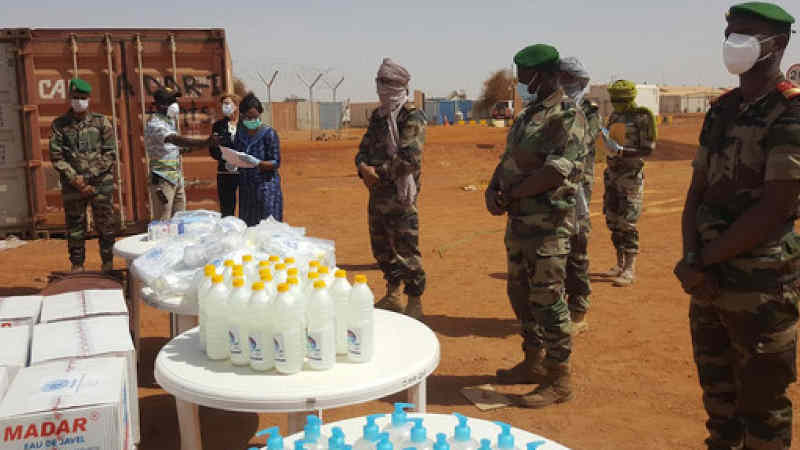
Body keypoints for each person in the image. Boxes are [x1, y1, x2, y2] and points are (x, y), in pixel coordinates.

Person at [674, 3, 799, 449]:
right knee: (720, 408)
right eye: (730, 32)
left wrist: (701, 260)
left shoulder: (791, 112)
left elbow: (775, 208)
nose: (733, 42)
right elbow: (696, 194)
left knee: (762, 413)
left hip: (760, 287)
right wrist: (691, 260)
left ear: (778, 44)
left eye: (745, 33)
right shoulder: (722, 110)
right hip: (708, 282)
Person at [484, 44, 587, 407]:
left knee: (548, 299)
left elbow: (558, 169)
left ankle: (559, 379)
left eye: (525, 77)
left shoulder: (567, 115)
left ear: (543, 76)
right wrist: (492, 190)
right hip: (520, 224)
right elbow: (509, 159)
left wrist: (515, 194)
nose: (521, 83)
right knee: (520, 295)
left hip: (550, 225)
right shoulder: (529, 115)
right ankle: (534, 362)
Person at [355, 58, 427, 320]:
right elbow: (364, 148)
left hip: (400, 194)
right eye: (378, 82)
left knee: (407, 248)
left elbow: (409, 159)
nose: (380, 87)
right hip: (377, 193)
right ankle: (393, 293)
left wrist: (378, 173)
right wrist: (362, 167)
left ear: (399, 85)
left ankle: (415, 300)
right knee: (382, 246)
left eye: (385, 82)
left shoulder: (411, 116)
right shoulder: (379, 115)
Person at [49, 78, 117, 272]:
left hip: (100, 183)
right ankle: (77, 266)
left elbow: (110, 153)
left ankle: (108, 263)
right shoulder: (59, 125)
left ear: (89, 99)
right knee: (75, 227)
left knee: (105, 225)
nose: (79, 101)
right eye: (75, 97)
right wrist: (76, 179)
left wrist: (89, 177)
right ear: (70, 98)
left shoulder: (101, 122)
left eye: (82, 97)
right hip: (73, 185)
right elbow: (56, 156)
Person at [559, 57, 602, 334]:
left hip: (579, 193)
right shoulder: (557, 108)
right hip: (555, 191)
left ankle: (578, 310)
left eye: (567, 79)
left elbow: (579, 143)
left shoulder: (588, 110)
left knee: (577, 252)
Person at [602, 79, 656, 287]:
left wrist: (622, 152)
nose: (616, 103)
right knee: (613, 220)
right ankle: (619, 262)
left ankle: (630, 268)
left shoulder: (643, 117)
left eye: (620, 99)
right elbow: (608, 140)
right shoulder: (615, 116)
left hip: (630, 178)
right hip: (612, 175)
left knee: (628, 222)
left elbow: (648, 150)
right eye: (614, 99)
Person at [144, 87, 217, 220]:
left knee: (179, 218)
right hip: (163, 179)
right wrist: (205, 142)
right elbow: (175, 140)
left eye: (175, 100)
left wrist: (205, 146)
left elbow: (175, 148)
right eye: (171, 101)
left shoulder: (169, 121)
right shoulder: (155, 124)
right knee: (163, 220)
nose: (175, 105)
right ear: (160, 104)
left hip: (176, 178)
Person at [234, 92, 282, 226]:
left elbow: (276, 162)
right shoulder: (240, 134)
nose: (252, 121)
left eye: (255, 117)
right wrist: (233, 162)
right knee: (248, 228)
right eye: (248, 118)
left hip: (266, 188)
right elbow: (237, 154)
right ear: (242, 116)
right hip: (246, 189)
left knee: (268, 227)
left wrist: (258, 163)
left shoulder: (269, 134)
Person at [209, 93, 241, 217]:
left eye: (228, 103)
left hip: (244, 173)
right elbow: (213, 149)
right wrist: (225, 160)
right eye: (223, 104)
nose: (224, 106)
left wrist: (242, 161)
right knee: (227, 209)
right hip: (225, 173)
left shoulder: (245, 125)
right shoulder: (218, 126)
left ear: (236, 106)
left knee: (247, 206)